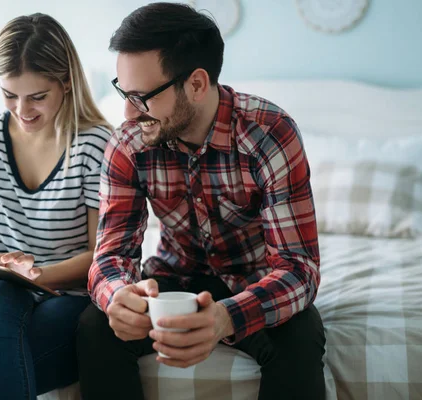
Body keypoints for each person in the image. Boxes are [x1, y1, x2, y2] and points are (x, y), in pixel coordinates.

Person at [76, 3, 326, 400]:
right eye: (123, 92)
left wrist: (226, 317)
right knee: (94, 326)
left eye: (141, 97)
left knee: (302, 334)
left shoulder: (269, 134)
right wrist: (116, 296)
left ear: (196, 84)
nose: (127, 112)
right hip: (172, 279)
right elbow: (110, 256)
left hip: (256, 282)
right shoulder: (128, 143)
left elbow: (299, 269)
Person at [0, 13, 112, 399]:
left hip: (70, 296)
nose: (22, 110)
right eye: (9, 95)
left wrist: (34, 277)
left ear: (66, 82)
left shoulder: (96, 145)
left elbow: (98, 256)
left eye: (37, 97)